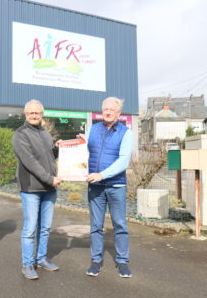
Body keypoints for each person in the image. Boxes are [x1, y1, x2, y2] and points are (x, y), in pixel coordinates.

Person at [83, 97, 133, 278]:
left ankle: (122, 262)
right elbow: (82, 150)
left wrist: (102, 175)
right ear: (101, 111)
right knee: (96, 226)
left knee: (120, 225)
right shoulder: (93, 129)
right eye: (105, 109)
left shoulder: (126, 133)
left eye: (112, 109)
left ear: (119, 113)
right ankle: (96, 260)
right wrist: (69, 146)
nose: (108, 112)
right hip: (95, 186)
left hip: (116, 185)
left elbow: (123, 161)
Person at [13, 99, 62, 280]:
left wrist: (57, 149)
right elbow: (30, 162)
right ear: (26, 114)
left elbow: (48, 157)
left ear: (42, 114)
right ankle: (27, 264)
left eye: (37, 113)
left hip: (49, 188)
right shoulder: (20, 134)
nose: (34, 115)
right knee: (30, 228)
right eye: (30, 113)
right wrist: (50, 179)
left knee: (46, 227)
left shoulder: (45, 133)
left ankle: (41, 258)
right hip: (31, 189)